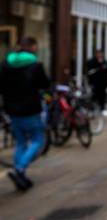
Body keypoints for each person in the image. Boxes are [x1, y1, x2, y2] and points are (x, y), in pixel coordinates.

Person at [0, 37, 51, 191]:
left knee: (21, 142)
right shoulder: (35, 65)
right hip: (30, 109)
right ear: (32, 47)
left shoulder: (5, 64)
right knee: (37, 140)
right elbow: (44, 84)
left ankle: (20, 175)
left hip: (12, 110)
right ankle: (19, 169)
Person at [86, 49, 107, 117]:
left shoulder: (105, 61)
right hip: (94, 83)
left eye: (101, 54)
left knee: (102, 96)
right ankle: (91, 110)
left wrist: (102, 64)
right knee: (93, 96)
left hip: (102, 82)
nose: (99, 55)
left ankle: (102, 109)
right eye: (98, 54)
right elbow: (89, 69)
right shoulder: (92, 62)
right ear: (96, 54)